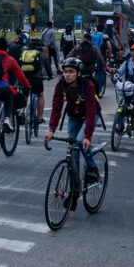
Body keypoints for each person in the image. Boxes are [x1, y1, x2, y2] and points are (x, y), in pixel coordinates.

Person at [45, 57, 100, 190]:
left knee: (81, 141)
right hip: (74, 116)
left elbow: (91, 110)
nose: (67, 74)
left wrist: (88, 135)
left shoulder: (88, 85)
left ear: (78, 73)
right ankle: (75, 185)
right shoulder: (61, 85)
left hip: (90, 114)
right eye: (65, 71)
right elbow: (57, 108)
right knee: (73, 150)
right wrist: (51, 129)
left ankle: (93, 169)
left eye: (71, 71)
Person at [19, 38, 53, 125]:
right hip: (36, 79)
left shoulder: (23, 53)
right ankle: (40, 118)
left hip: (24, 79)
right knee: (40, 95)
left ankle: (22, 112)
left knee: (24, 95)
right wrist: (50, 76)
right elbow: (48, 66)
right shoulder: (41, 55)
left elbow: (18, 65)